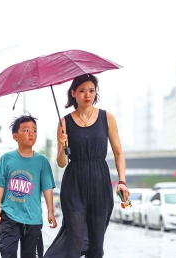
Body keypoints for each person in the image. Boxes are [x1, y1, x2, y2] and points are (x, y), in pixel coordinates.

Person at [44, 73, 129, 258]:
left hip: (100, 181)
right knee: (75, 241)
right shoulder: (64, 122)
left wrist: (122, 181)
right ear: (73, 93)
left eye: (91, 90)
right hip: (74, 183)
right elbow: (61, 163)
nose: (87, 94)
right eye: (82, 91)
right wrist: (62, 147)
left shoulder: (107, 117)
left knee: (96, 244)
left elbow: (118, 152)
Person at [0, 114, 58, 258]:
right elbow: (0, 185)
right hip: (10, 215)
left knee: (30, 255)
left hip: (33, 217)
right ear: (15, 136)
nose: (31, 133)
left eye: (34, 130)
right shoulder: (6, 159)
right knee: (7, 252)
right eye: (26, 130)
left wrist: (50, 211)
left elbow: (47, 188)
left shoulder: (42, 161)